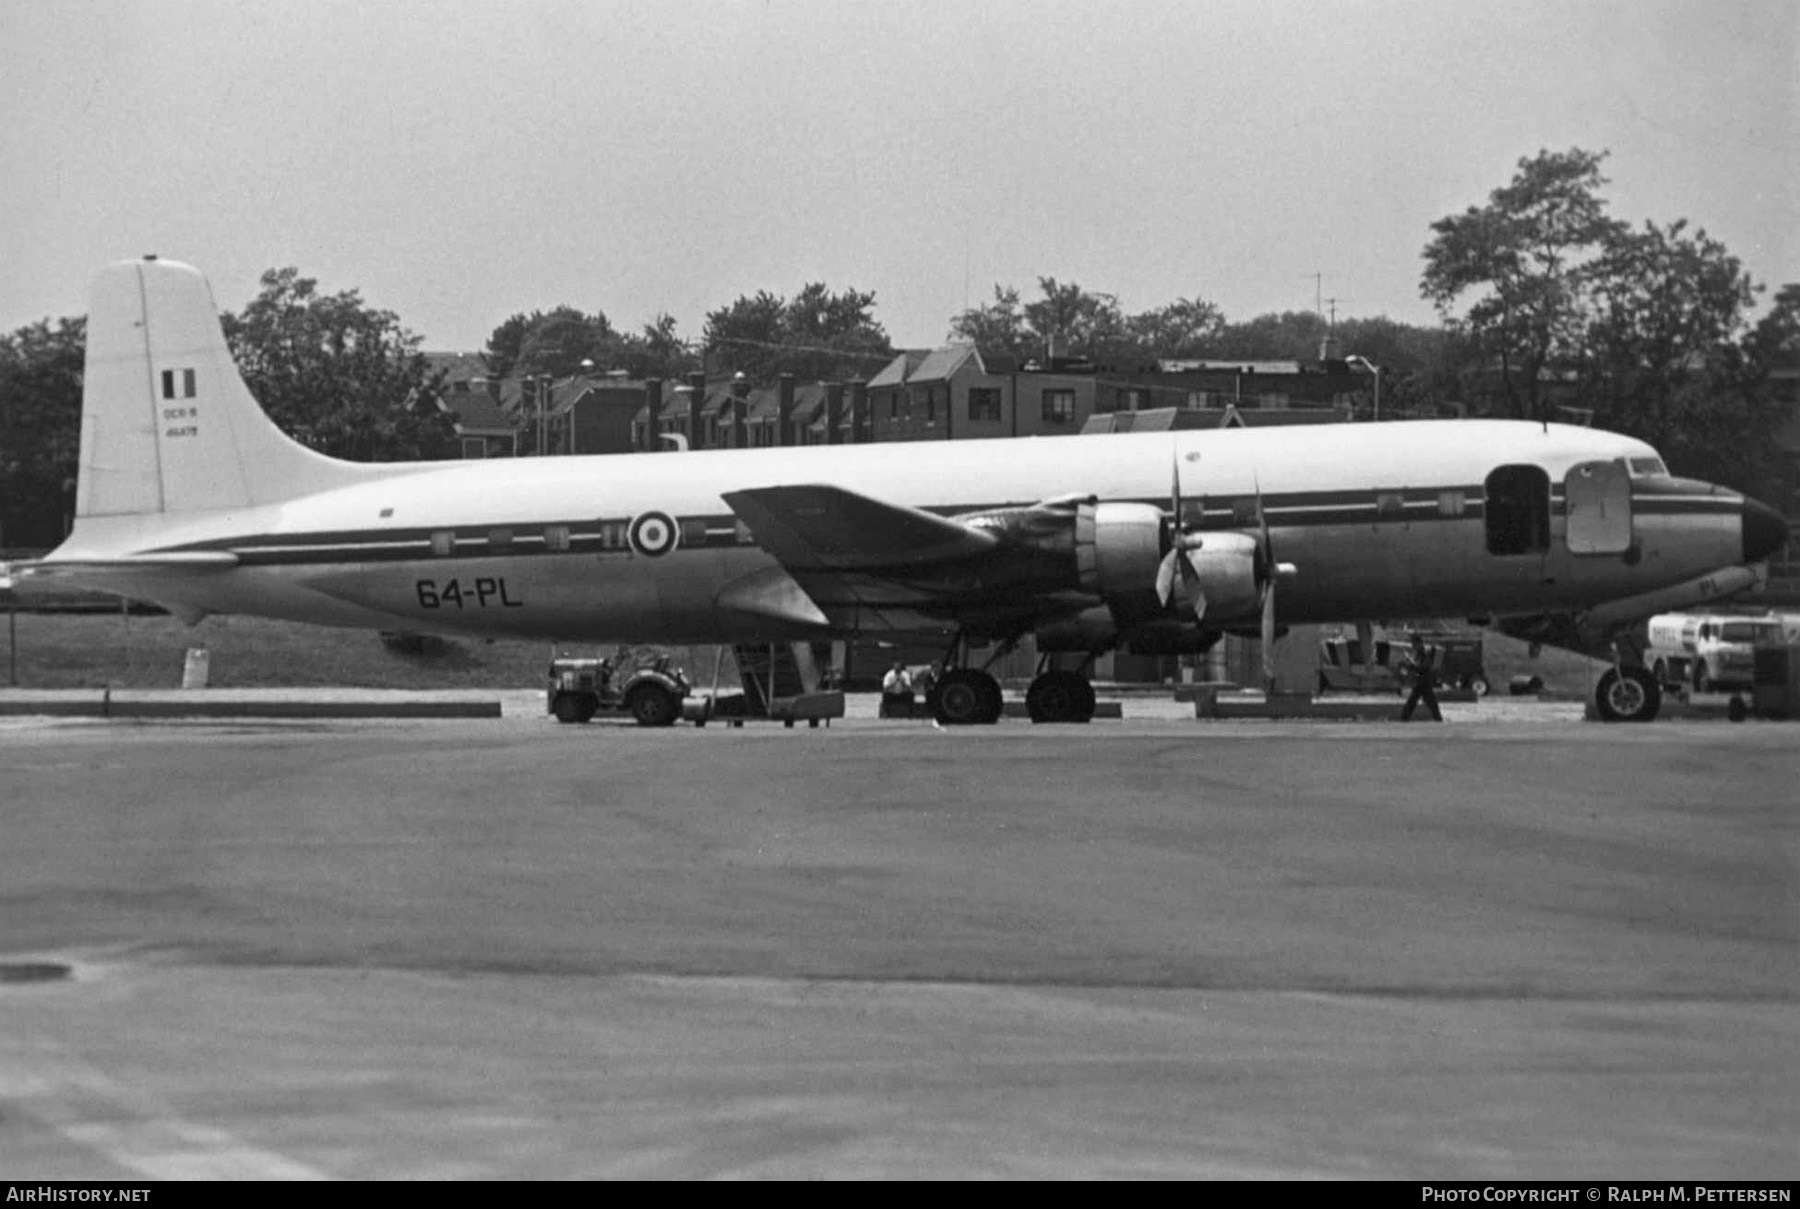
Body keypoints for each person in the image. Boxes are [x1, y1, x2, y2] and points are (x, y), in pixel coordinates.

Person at [1399, 632, 1443, 722]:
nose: (1412, 646)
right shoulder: (1419, 653)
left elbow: (1423, 668)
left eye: (1413, 643)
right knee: (1429, 703)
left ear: (1419, 643)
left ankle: (1404, 719)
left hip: (1424, 682)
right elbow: (1417, 667)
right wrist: (1407, 664)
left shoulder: (1425, 652)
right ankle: (1439, 720)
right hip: (1421, 682)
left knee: (1415, 702)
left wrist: (1410, 664)